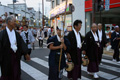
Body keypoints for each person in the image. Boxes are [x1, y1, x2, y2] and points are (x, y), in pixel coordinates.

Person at [0, 16, 30, 80]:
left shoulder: (16, 34)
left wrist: (26, 53)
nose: (15, 23)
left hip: (15, 56)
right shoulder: (2, 34)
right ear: (9, 22)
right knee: (6, 74)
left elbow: (21, 44)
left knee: (16, 72)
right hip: (6, 58)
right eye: (14, 21)